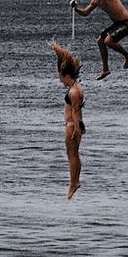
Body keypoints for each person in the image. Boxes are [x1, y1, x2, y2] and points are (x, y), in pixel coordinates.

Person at [71, 0, 128, 80]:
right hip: (117, 24)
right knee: (100, 41)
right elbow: (85, 12)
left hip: (126, 23)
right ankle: (105, 69)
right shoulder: (96, 1)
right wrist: (75, 8)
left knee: (108, 41)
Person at [50, 41, 85, 200]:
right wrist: (58, 51)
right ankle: (74, 182)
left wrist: (77, 131)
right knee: (74, 155)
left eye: (61, 78)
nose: (60, 81)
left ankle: (73, 183)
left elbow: (77, 113)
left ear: (67, 76)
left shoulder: (74, 92)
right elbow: (65, 61)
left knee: (72, 156)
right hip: (74, 126)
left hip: (72, 126)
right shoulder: (74, 87)